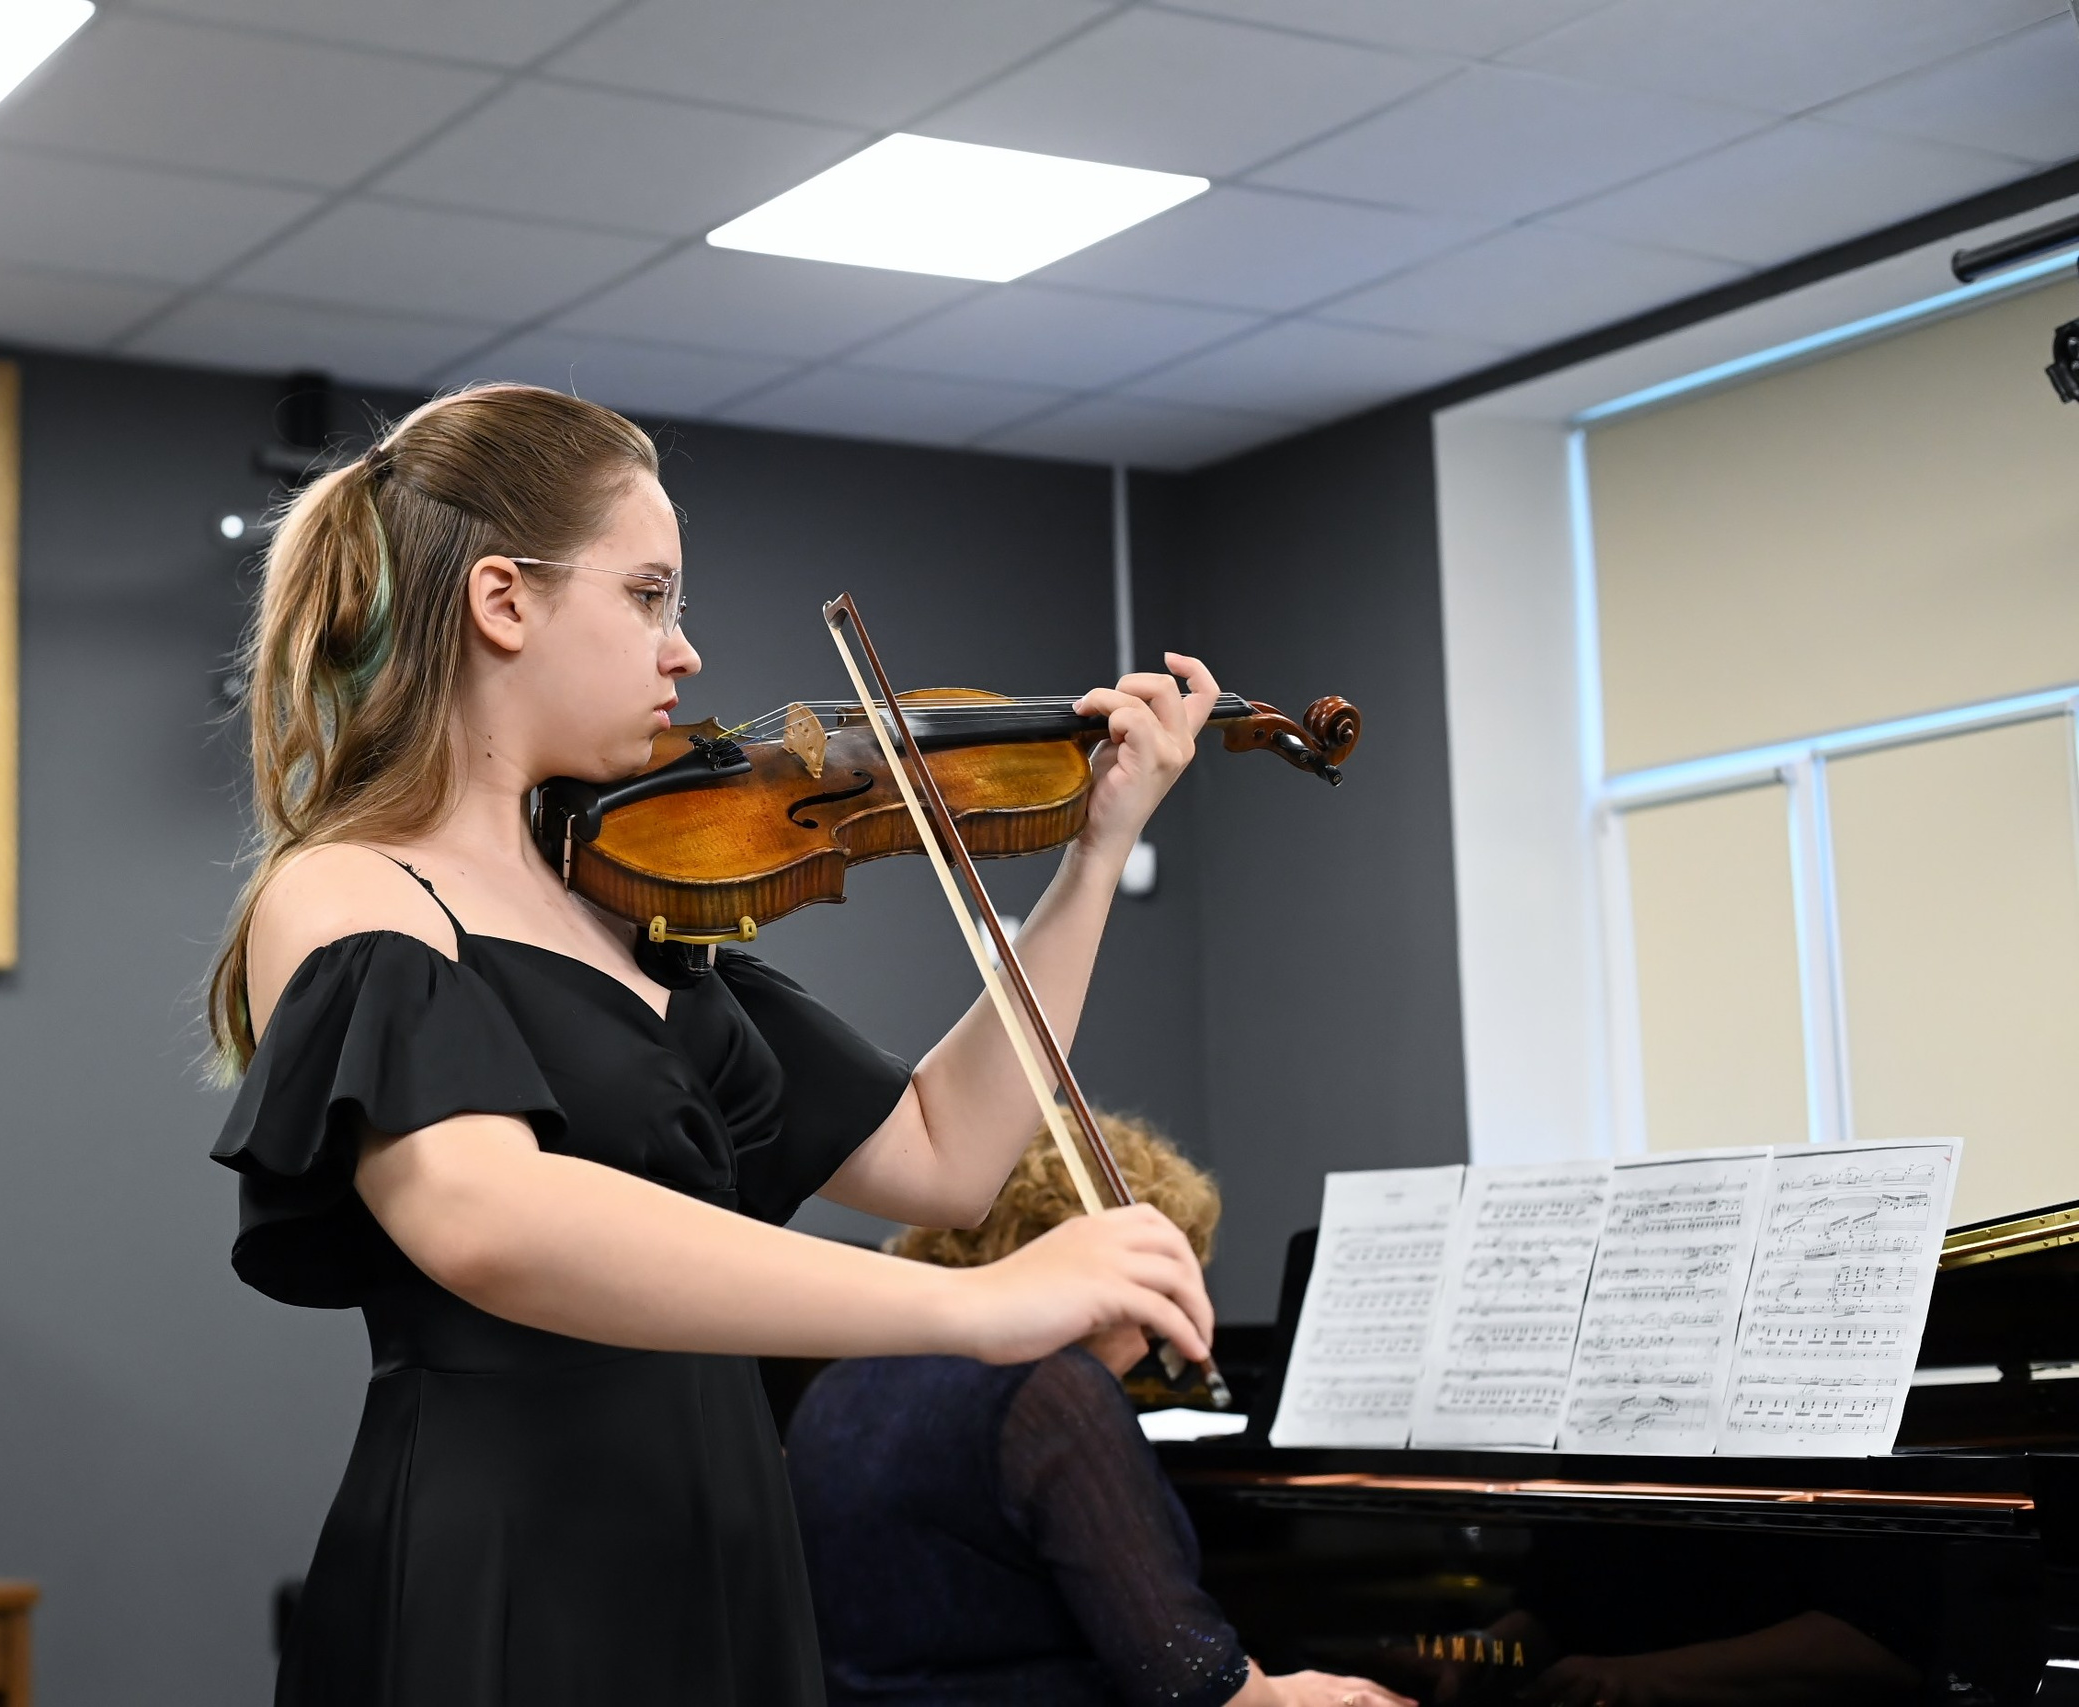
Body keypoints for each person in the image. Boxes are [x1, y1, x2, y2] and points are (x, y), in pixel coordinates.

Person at [205, 383, 1222, 1707]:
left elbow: (946, 1155)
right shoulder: (353, 890)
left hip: (723, 1551)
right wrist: (974, 1307)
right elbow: (484, 1215)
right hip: (512, 1558)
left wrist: (1095, 856)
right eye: (647, 597)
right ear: (503, 600)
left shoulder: (637, 916)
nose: (683, 653)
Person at [785, 1113, 1414, 1707]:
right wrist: (1286, 1695)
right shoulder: (1049, 1392)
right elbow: (1184, 1675)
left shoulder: (841, 1385)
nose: (1154, 1336)